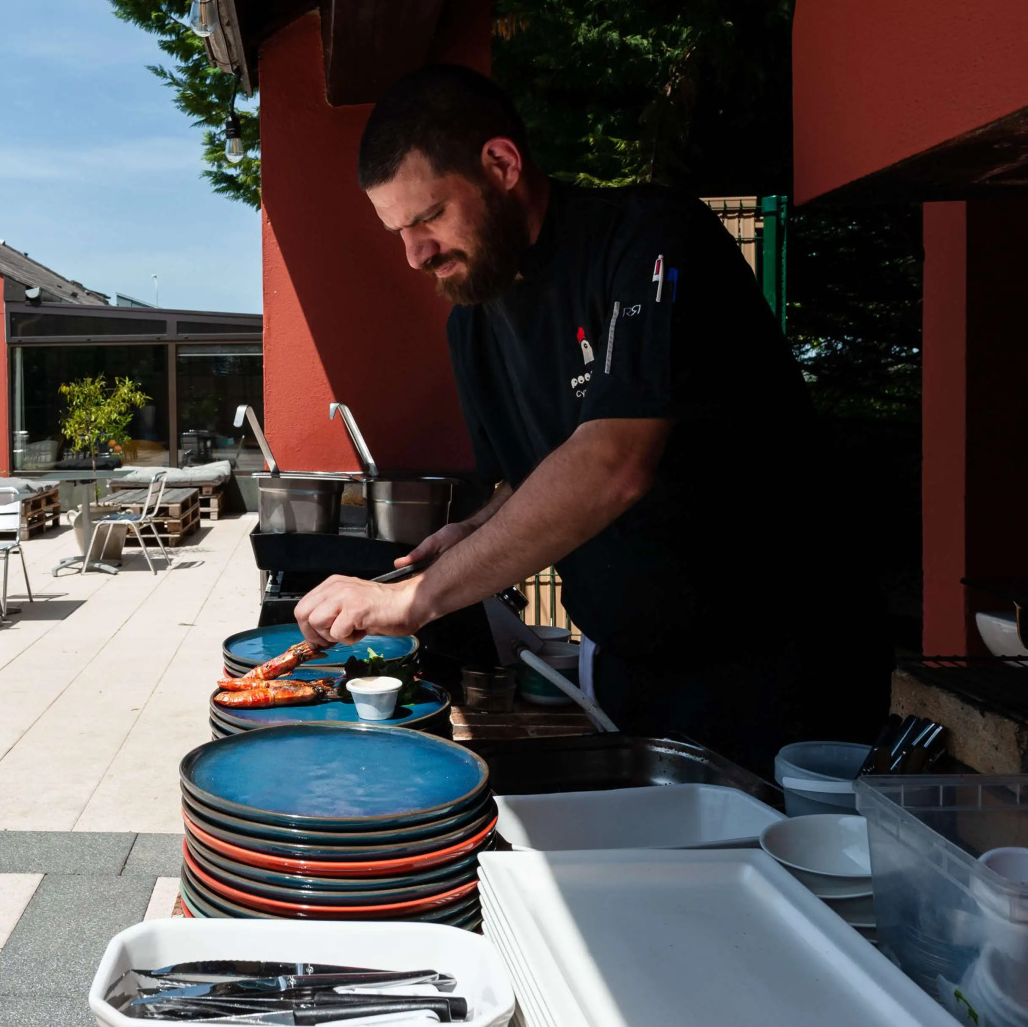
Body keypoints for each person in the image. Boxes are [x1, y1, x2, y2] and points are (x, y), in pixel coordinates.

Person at [293, 64, 888, 770]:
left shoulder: (648, 241)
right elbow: (535, 476)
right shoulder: (474, 328)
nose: (415, 254)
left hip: (781, 663)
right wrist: (468, 532)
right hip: (630, 674)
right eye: (398, 231)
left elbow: (610, 462)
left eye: (427, 218)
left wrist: (416, 600)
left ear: (501, 163)